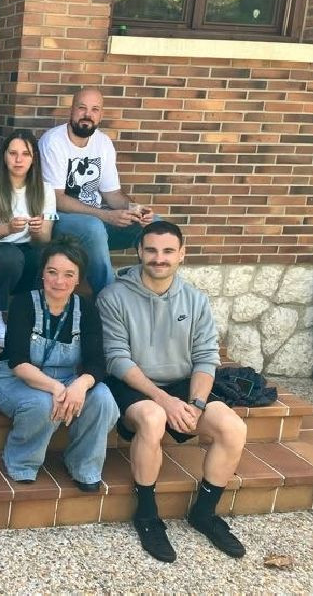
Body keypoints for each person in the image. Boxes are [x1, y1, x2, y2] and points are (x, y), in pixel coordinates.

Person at [98, 221, 247, 563]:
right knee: (153, 418)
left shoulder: (195, 299)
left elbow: (206, 357)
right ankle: (147, 515)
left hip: (181, 384)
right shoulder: (114, 297)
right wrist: (165, 401)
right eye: (151, 250)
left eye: (168, 251)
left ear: (182, 254)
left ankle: (204, 513)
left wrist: (196, 404)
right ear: (139, 251)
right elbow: (117, 359)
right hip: (133, 383)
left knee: (233, 427)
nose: (159, 258)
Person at [0, 236, 117, 490]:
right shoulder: (24, 303)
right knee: (43, 402)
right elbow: (18, 362)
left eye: (69, 274)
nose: (60, 281)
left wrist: (79, 385)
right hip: (16, 381)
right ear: (42, 273)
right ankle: (22, 463)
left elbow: (96, 362)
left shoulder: (86, 309)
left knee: (103, 399)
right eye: (52, 272)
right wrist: (56, 388)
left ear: (78, 278)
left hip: (68, 379)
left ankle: (84, 466)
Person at [39, 87, 154, 295]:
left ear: (101, 115)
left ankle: (149, 292)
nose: (87, 115)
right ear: (71, 110)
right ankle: (108, 299)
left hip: (97, 219)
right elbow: (56, 199)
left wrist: (135, 208)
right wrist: (106, 215)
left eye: (94, 110)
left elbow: (112, 194)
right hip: (60, 219)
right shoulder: (53, 142)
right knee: (94, 227)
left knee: (155, 225)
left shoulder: (103, 142)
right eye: (82, 108)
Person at [0, 129, 56, 347]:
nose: (18, 160)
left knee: (47, 256)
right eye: (13, 153)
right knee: (9, 256)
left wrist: (37, 230)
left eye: (25, 154)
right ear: (4, 156)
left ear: (34, 158)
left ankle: (32, 314)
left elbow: (45, 238)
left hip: (27, 250)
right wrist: (6, 229)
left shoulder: (45, 190)